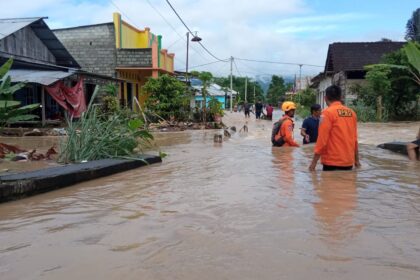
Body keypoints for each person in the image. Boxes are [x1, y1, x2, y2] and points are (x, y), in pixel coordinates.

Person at [309, 85, 360, 171]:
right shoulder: (352, 113)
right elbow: (354, 139)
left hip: (332, 162)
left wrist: (313, 164)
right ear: (340, 97)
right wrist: (357, 161)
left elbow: (322, 139)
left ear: (325, 98)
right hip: (348, 162)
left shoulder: (326, 113)